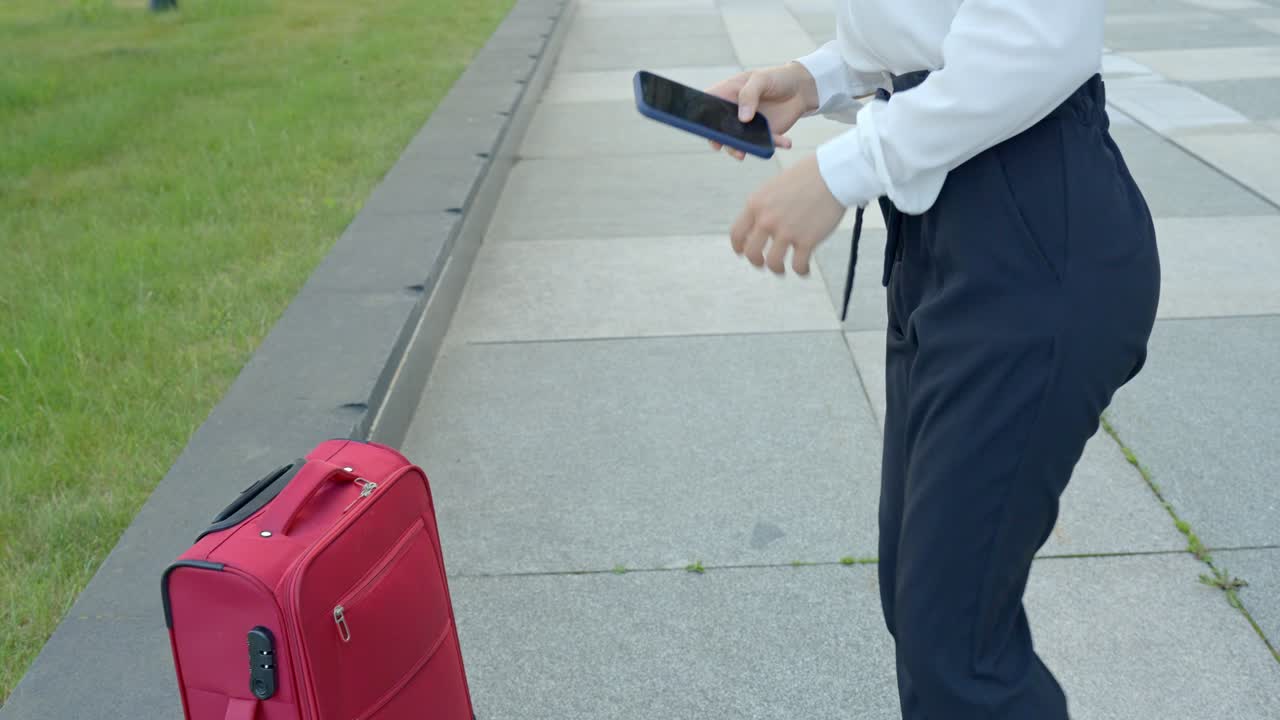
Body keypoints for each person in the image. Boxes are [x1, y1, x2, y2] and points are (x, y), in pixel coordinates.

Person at [707, 2, 1160, 718]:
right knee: (923, 605)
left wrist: (846, 169)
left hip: (1032, 236)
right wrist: (816, 77)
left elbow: (1038, 39)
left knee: (955, 651)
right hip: (942, 238)